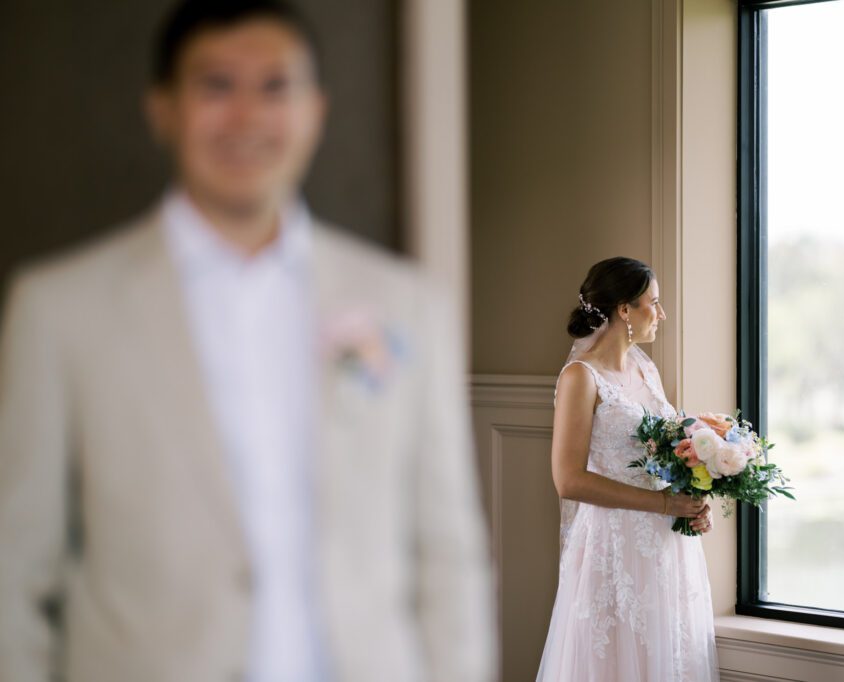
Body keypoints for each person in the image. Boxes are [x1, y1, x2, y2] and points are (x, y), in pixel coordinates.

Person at [0, 1, 495, 681]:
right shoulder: (59, 312)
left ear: (315, 111)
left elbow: (448, 550)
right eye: (215, 86)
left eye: (274, 87)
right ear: (163, 108)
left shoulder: (409, 305)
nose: (246, 117)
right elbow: (13, 570)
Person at [536, 257, 719, 681]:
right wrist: (663, 503)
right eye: (653, 303)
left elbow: (664, 452)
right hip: (613, 545)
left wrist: (693, 499)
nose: (662, 314)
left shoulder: (643, 366)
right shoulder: (580, 378)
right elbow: (568, 479)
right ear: (624, 310)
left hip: (665, 546)